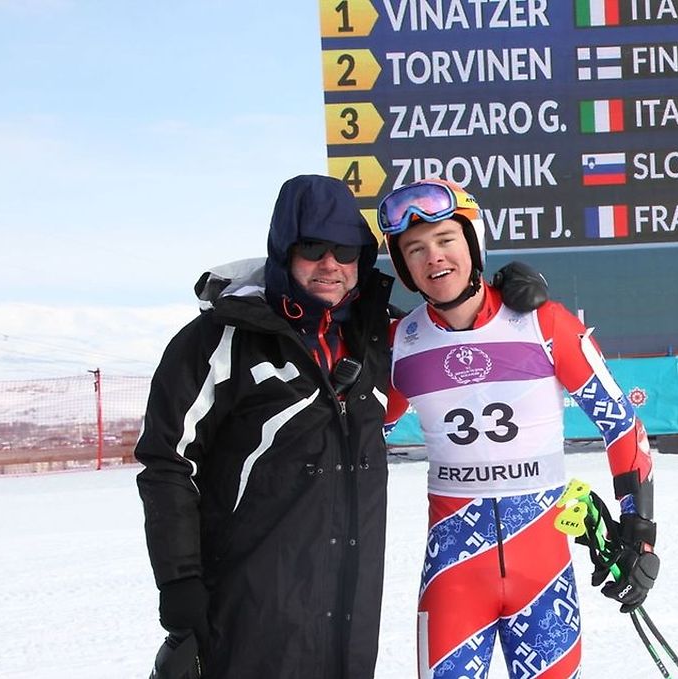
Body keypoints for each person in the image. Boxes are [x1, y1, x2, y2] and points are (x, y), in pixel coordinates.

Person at [135, 174, 546, 679]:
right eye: (313, 247)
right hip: (246, 609)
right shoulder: (219, 339)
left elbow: (453, 326)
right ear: (284, 251)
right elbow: (166, 464)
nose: (330, 264)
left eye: (345, 250)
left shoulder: (379, 337)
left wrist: (496, 293)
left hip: (348, 615)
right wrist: (179, 582)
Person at [378, 178, 661, 678]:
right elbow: (355, 435)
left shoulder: (542, 323)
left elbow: (620, 425)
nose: (434, 258)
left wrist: (638, 535)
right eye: (415, 249)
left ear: (472, 243)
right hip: (453, 579)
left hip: (543, 573)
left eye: (446, 240)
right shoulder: (400, 343)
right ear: (403, 267)